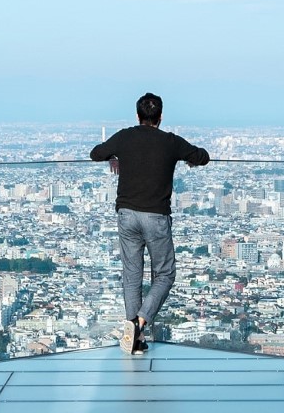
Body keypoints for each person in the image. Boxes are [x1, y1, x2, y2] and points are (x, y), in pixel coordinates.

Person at [90, 93, 210, 354]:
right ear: (161, 117)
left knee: (132, 275)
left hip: (127, 214)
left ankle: (134, 337)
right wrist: (189, 158)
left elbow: (95, 153)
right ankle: (139, 322)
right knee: (165, 274)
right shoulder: (171, 142)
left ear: (137, 116)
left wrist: (115, 157)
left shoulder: (125, 136)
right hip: (156, 217)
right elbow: (203, 156)